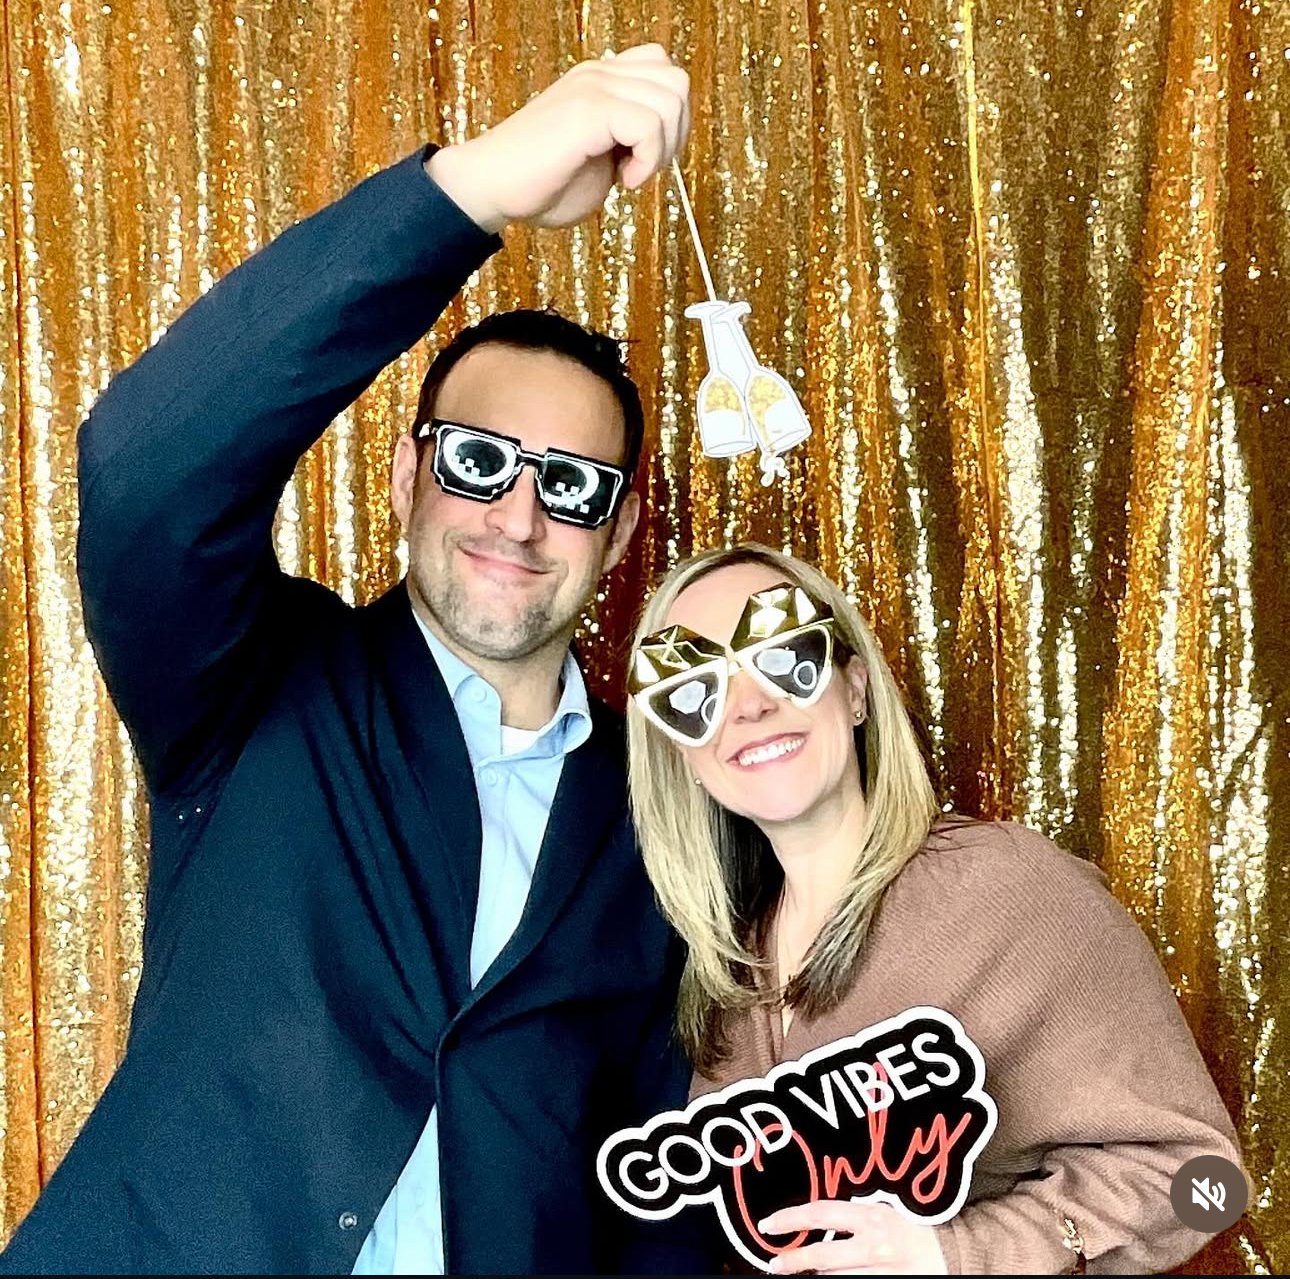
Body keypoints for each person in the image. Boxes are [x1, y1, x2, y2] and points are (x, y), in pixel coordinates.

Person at [1, 45, 713, 1276]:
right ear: (404, 476)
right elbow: (145, 465)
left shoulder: (665, 807)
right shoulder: (254, 682)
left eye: (573, 485)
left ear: (622, 530)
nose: (518, 516)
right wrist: (473, 189)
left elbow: (650, 1172)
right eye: (478, 461)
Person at [624, 542, 1245, 1274]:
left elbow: (1208, 1183)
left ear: (854, 689)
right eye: (694, 688)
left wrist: (955, 1253)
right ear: (678, 750)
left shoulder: (1013, 889)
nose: (750, 704)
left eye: (782, 654)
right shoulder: (726, 968)